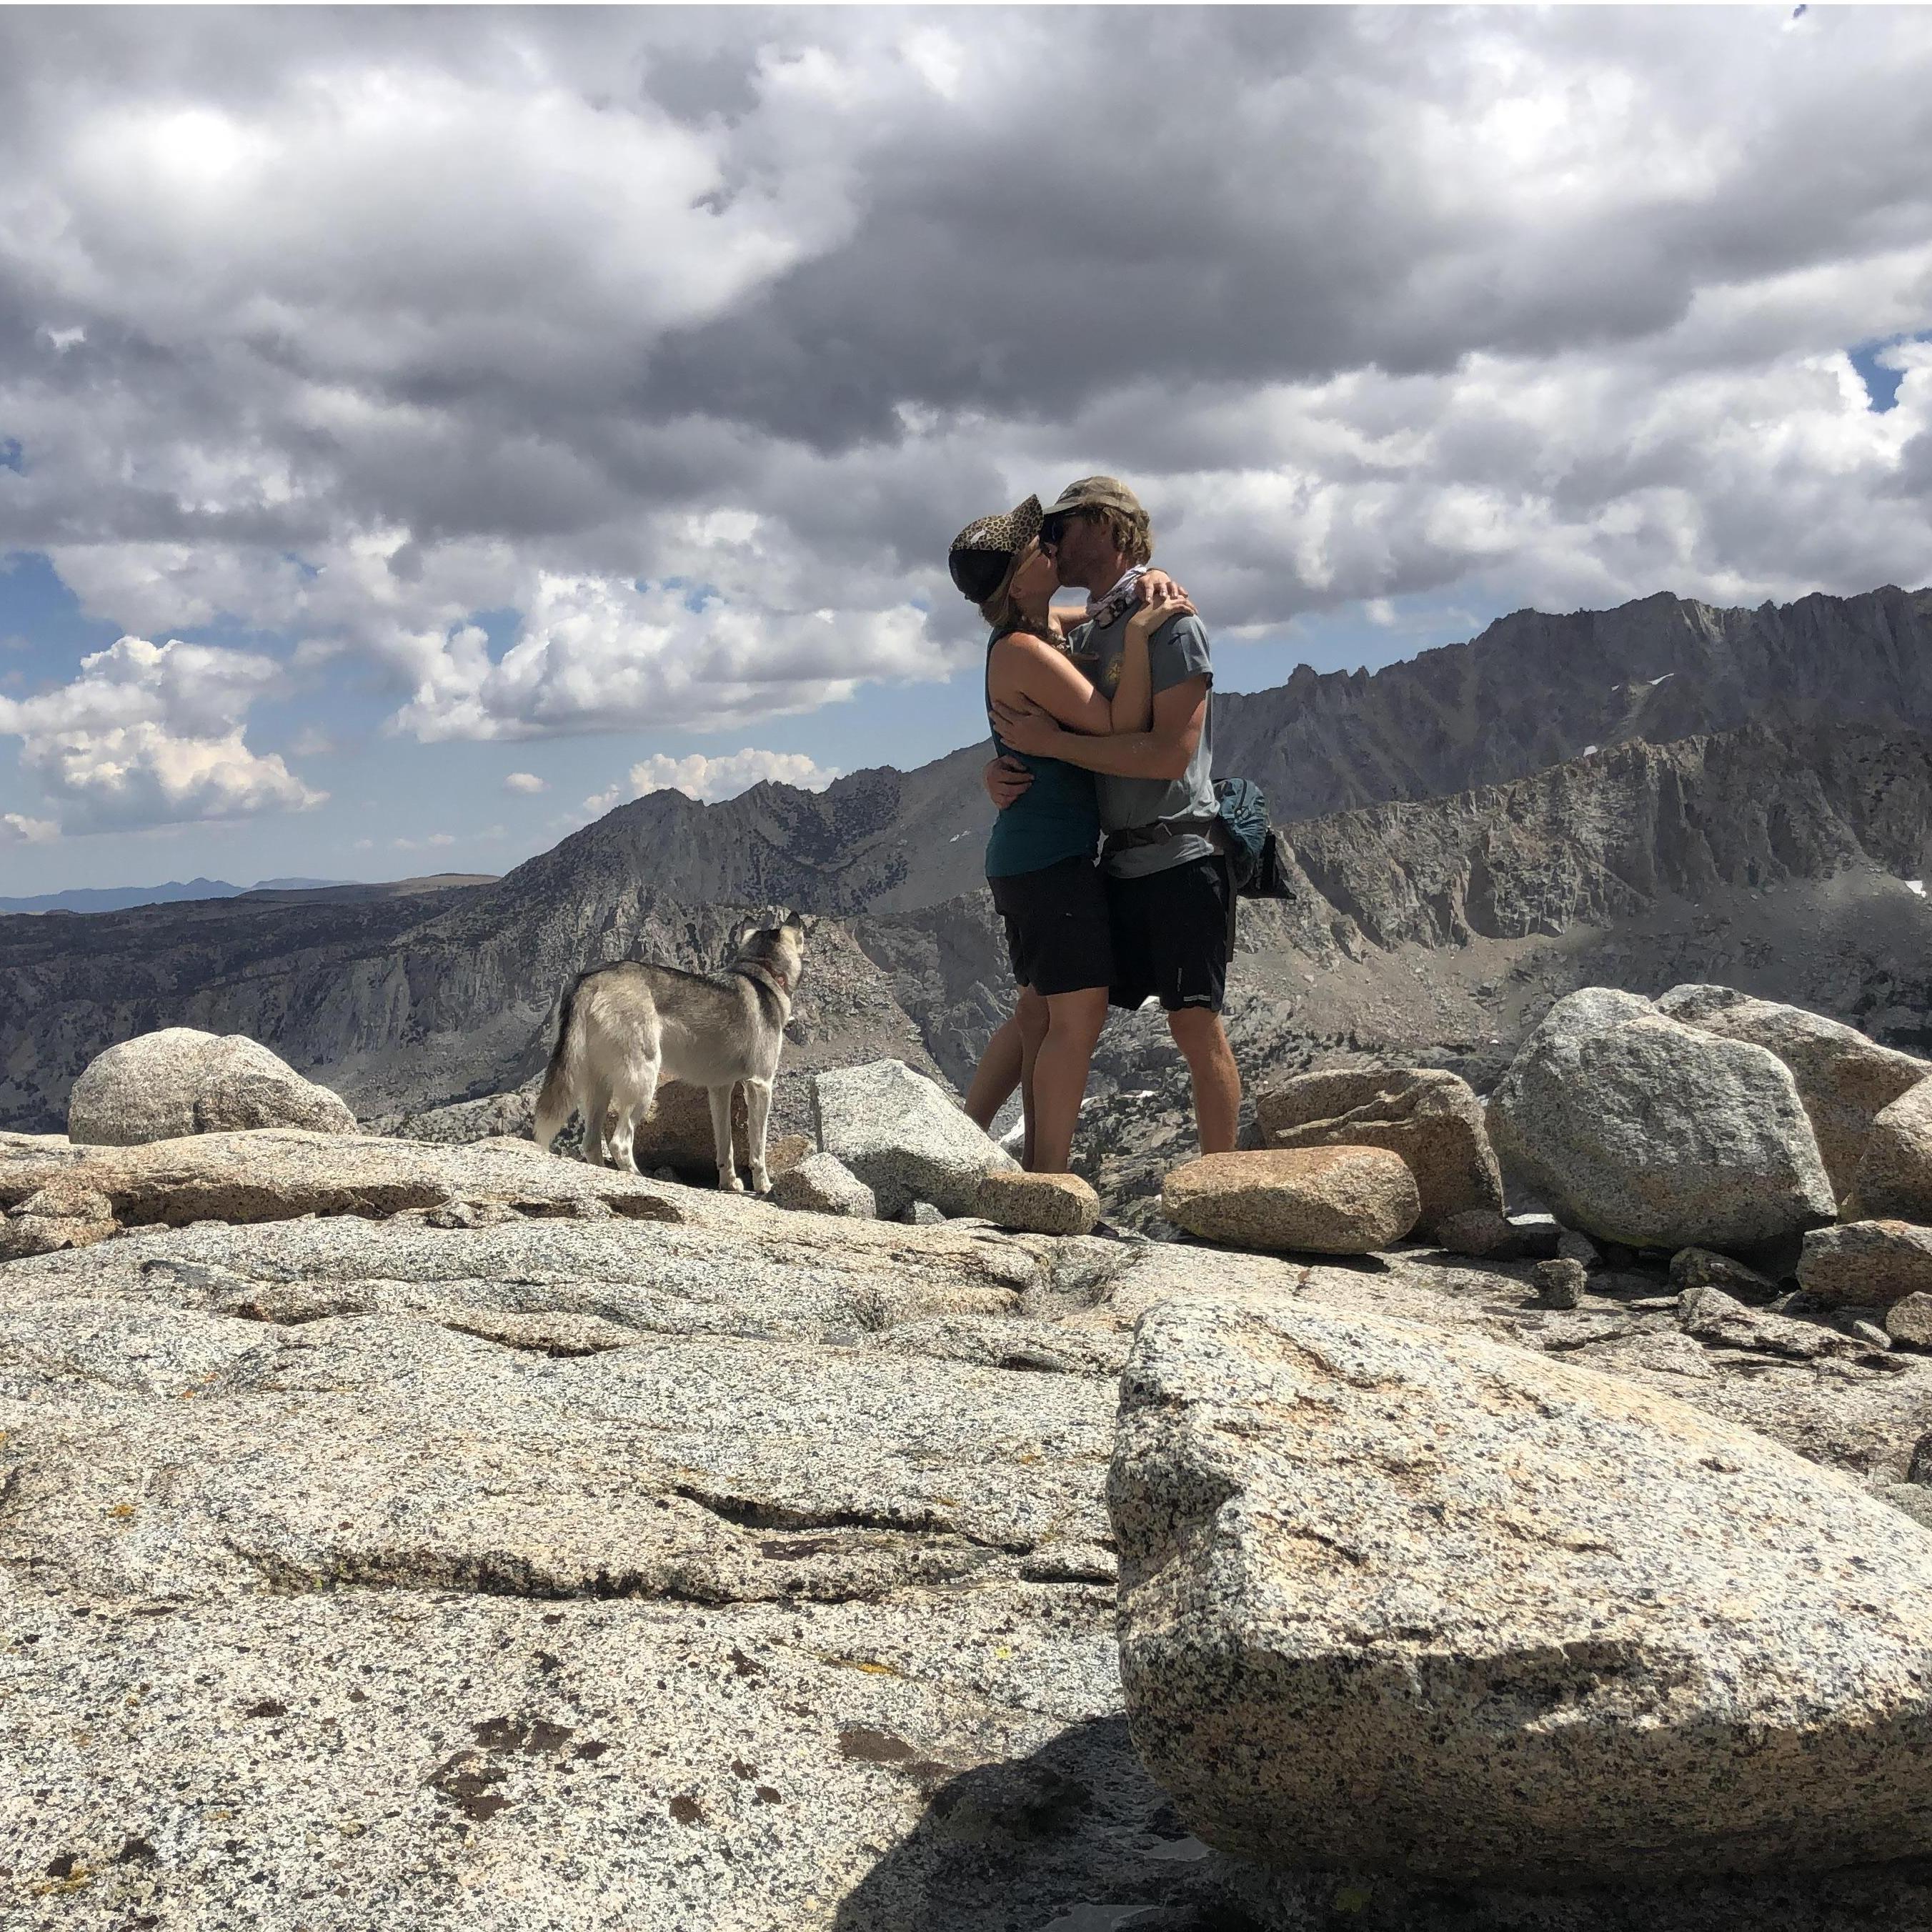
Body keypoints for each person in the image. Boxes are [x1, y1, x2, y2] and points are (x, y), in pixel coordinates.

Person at [987, 476, 1241, 1155]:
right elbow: (1023, 640)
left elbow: (1169, 755)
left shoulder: (1174, 625)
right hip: (1118, 861)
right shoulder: (1106, 622)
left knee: (1193, 1023)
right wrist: (1007, 766)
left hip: (1183, 854)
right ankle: (1020, 1170)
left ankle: (1225, 1190)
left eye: (1058, 530)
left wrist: (1053, 746)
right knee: (1046, 1008)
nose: (1049, 545)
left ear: (1103, 525)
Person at [948, 495, 1193, 1172]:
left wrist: (1148, 579)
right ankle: (1048, 1179)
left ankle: (966, 1143)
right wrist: (1145, 638)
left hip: (1033, 854)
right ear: (1016, 582)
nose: (1049, 549)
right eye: (1036, 547)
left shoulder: (1038, 626)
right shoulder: (1026, 648)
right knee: (1076, 1018)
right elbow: (1116, 724)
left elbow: (1098, 609)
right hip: (1049, 857)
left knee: (1037, 1011)